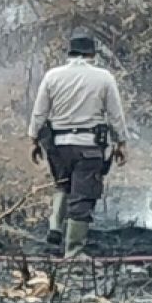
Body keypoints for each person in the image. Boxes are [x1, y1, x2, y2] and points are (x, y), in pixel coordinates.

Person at [28, 35, 129, 258]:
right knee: (83, 195)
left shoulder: (52, 76)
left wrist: (33, 139)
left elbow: (39, 112)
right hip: (89, 146)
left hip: (58, 146)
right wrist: (121, 142)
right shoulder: (103, 78)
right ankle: (73, 251)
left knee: (63, 185)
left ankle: (55, 227)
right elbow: (115, 114)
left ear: (70, 53)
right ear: (92, 55)